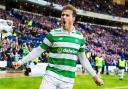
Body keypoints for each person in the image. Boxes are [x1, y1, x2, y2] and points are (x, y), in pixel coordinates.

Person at [12, 4, 104, 89]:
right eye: (62, 15)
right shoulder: (53, 34)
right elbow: (38, 50)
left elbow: (83, 59)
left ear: (73, 18)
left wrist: (95, 77)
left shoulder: (79, 37)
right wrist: (20, 62)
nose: (64, 17)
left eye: (67, 15)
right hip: (51, 76)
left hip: (68, 80)